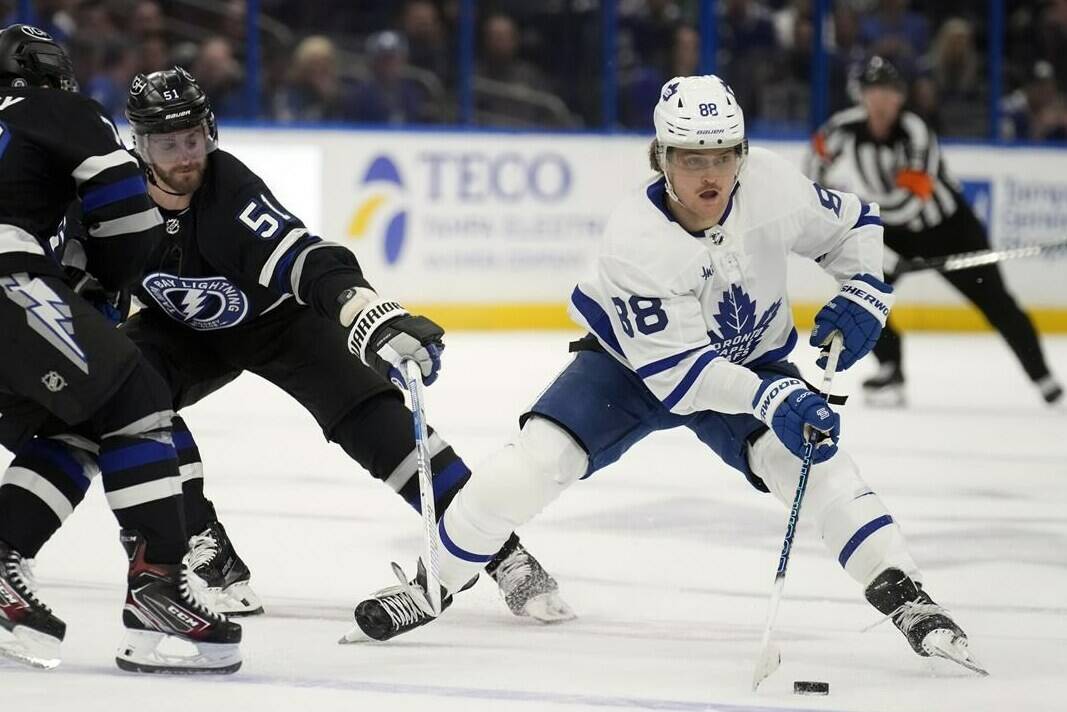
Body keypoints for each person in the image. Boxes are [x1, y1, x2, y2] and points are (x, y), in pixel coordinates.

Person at [346, 74, 987, 676]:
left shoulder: (772, 185)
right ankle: (432, 584)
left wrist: (866, 291)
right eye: (690, 158)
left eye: (723, 156)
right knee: (532, 464)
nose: (711, 175)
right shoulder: (636, 241)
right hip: (630, 367)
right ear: (661, 157)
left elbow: (856, 226)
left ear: (742, 152)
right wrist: (774, 395)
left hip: (748, 363)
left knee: (816, 467)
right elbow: (683, 379)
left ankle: (907, 595)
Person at [8, 66, 574, 628]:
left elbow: (305, 257)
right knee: (130, 393)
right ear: (139, 144)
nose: (185, 156)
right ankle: (204, 548)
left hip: (281, 326)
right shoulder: (111, 197)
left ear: (210, 132)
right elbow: (80, 281)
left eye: (192, 138)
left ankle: (504, 555)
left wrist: (366, 313)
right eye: (166, 142)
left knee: (382, 428)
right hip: (177, 332)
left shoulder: (230, 190)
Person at [0, 25, 240, 673]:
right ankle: (158, 588)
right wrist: (103, 291)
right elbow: (128, 218)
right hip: (7, 282)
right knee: (136, 394)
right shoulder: (57, 109)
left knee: (76, 425)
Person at [807, 56, 1062, 407]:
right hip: (892, 229)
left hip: (949, 229)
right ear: (862, 96)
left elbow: (913, 201)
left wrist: (867, 227)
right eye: (872, 91)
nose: (880, 100)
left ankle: (1044, 378)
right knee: (858, 290)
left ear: (899, 97)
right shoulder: (842, 128)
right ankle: (891, 368)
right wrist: (833, 213)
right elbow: (814, 165)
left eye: (888, 92)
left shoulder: (915, 130)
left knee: (997, 302)